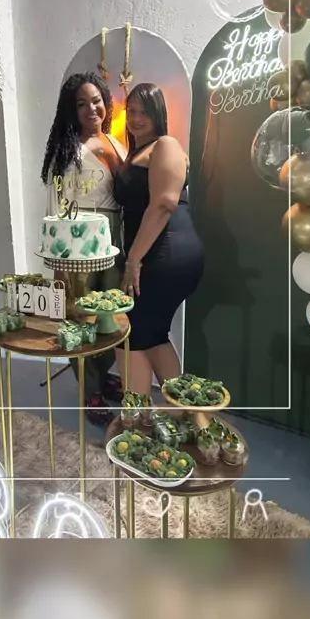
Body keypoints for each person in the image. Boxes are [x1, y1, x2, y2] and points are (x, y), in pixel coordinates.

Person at [41, 72, 127, 426]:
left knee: (111, 314)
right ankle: (89, 389)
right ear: (71, 110)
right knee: (80, 316)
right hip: (77, 240)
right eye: (81, 103)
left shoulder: (117, 143)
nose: (91, 108)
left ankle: (101, 373)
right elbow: (55, 205)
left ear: (106, 103)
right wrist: (58, 260)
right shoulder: (67, 149)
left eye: (96, 101)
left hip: (113, 237)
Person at [114, 83, 205, 393]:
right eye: (132, 111)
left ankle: (137, 417)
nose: (136, 119)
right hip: (157, 253)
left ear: (158, 115)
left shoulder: (165, 144)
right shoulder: (136, 152)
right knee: (152, 335)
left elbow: (164, 204)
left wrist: (133, 261)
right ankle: (186, 412)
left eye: (145, 112)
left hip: (165, 253)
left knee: (130, 335)